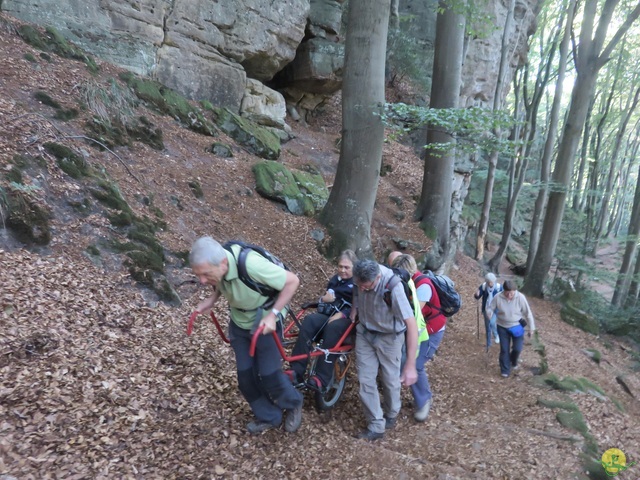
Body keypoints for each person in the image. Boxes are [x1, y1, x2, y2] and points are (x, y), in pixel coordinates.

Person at [189, 236, 304, 434]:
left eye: (206, 275)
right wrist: (211, 299)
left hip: (265, 321)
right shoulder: (219, 264)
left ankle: (293, 403)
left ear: (223, 263)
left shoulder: (251, 265)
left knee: (270, 374)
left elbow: (292, 281)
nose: (202, 281)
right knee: (246, 378)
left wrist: (273, 315)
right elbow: (221, 281)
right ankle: (270, 416)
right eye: (199, 275)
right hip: (240, 323)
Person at [350, 259, 418, 441]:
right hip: (365, 333)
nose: (362, 289)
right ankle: (376, 425)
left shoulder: (393, 287)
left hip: (390, 337)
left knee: (389, 379)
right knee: (365, 379)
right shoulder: (360, 280)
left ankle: (392, 411)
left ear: (377, 278)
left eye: (367, 286)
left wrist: (410, 365)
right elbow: (356, 293)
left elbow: (411, 325)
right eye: (359, 285)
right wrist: (354, 309)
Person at [287, 250, 358, 390]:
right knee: (309, 321)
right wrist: (322, 300)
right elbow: (326, 299)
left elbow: (360, 305)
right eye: (340, 266)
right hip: (329, 313)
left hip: (347, 320)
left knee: (333, 327)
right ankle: (296, 370)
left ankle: (321, 378)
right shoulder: (334, 280)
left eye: (346, 268)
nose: (342, 270)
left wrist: (343, 314)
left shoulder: (357, 283)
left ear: (354, 268)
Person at [389, 254, 433, 422]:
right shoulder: (407, 283)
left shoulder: (422, 285)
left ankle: (424, 401)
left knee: (416, 366)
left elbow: (413, 315)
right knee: (405, 364)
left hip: (428, 331)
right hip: (413, 331)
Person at [486, 279, 536, 378]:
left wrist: (531, 328)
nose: (509, 295)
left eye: (511, 293)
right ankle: (505, 369)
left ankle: (513, 361)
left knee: (517, 348)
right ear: (503, 290)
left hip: (517, 326)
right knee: (504, 349)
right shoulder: (498, 297)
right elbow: (490, 307)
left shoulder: (520, 297)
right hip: (502, 326)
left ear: (515, 291)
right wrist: (489, 313)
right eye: (507, 293)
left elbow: (528, 313)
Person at [474, 272, 502, 351]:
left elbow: (504, 296)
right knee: (487, 326)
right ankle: (488, 344)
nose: (490, 283)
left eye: (492, 281)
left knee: (492, 323)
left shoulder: (499, 287)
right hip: (486, 309)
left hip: (496, 309)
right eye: (489, 282)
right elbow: (477, 296)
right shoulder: (483, 286)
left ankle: (496, 335)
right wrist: (476, 294)